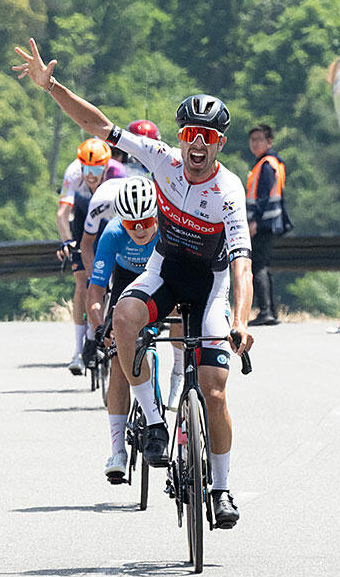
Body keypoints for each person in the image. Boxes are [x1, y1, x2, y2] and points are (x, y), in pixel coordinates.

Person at [15, 38, 253, 529]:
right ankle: (155, 424)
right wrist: (51, 86)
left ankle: (222, 488)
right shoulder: (162, 160)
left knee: (215, 392)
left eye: (207, 137)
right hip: (165, 270)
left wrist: (243, 322)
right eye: (190, 134)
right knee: (124, 316)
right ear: (180, 137)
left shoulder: (228, 191)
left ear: (219, 144)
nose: (197, 144)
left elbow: (242, 265)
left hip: (208, 286)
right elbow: (98, 126)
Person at [82, 177, 160, 482]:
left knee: (183, 328)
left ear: (156, 216)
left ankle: (180, 384)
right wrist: (99, 328)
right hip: (127, 281)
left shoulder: (168, 229)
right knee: (118, 363)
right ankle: (117, 451)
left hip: (161, 278)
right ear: (121, 221)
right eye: (131, 225)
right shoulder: (113, 233)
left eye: (146, 222)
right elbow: (95, 292)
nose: (139, 230)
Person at [58, 137, 118, 375]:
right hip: (83, 216)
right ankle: (78, 350)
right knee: (83, 283)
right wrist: (67, 241)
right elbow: (62, 213)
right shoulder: (73, 173)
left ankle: (104, 331)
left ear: (106, 166)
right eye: (87, 169)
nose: (91, 176)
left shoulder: (117, 173)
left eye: (96, 170)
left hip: (109, 216)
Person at [245, 123, 291, 326]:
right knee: (263, 264)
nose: (255, 143)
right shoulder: (272, 163)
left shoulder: (266, 165)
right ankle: (271, 311)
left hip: (263, 223)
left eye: (259, 139)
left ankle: (265, 311)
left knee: (258, 265)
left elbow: (263, 197)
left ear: (269, 141)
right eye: (252, 140)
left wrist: (254, 220)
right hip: (270, 222)